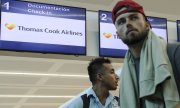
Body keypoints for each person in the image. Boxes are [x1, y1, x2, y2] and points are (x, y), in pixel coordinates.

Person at [111, 0, 180, 108]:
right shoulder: (125, 74)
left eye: (133, 17)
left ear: (147, 25)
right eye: (121, 22)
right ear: (118, 34)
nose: (128, 23)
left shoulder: (174, 52)